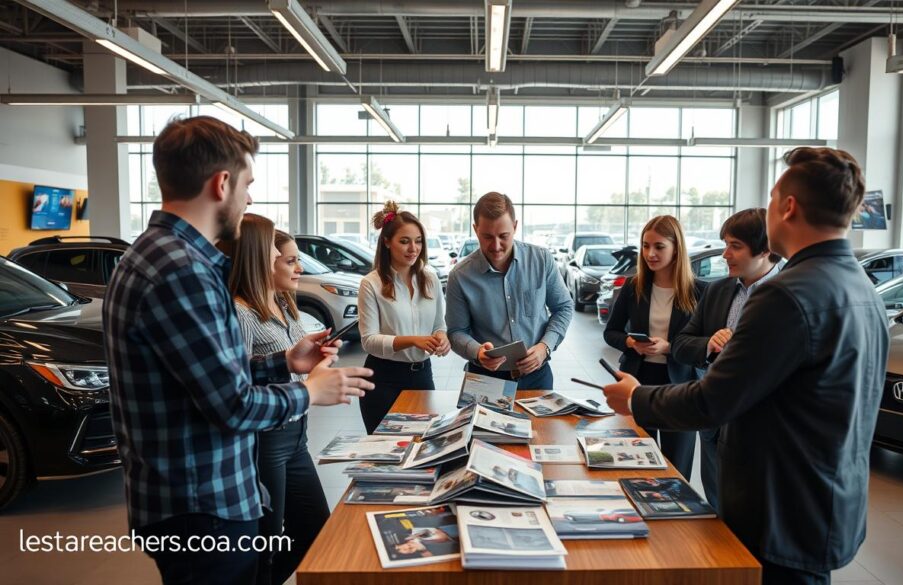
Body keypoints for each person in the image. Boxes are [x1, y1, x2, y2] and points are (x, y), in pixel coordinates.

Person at [103, 116, 374, 585]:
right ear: (221, 183)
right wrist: (309, 392)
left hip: (187, 501)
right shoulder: (182, 271)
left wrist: (282, 362)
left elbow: (202, 376)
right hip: (204, 507)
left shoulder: (153, 254)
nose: (249, 198)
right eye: (247, 184)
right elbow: (232, 404)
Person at [603, 147, 889, 585]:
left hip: (780, 510)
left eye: (772, 198)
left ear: (788, 206)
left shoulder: (787, 294)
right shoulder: (862, 288)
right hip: (827, 504)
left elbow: (714, 399)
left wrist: (636, 398)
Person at [217, 215, 330, 585]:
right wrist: (306, 381)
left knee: (315, 527)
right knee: (268, 541)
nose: (296, 266)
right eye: (283, 257)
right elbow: (239, 381)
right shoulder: (241, 312)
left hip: (297, 435)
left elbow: (286, 362)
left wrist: (313, 357)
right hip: (267, 439)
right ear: (258, 258)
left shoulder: (283, 303)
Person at [670, 208, 782, 510]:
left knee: (753, 510)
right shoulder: (718, 290)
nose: (724, 254)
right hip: (714, 418)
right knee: (716, 503)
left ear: (765, 249)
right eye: (725, 244)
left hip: (760, 426)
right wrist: (709, 343)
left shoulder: (788, 294)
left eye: (735, 246)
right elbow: (681, 344)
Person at [603, 215, 707, 479]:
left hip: (681, 387)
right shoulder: (633, 286)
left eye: (659, 246)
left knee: (676, 470)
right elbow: (611, 332)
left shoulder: (700, 292)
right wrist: (629, 342)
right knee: (636, 463)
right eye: (646, 245)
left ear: (676, 248)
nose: (650, 253)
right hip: (638, 381)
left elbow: (705, 347)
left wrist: (670, 348)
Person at [446, 192, 573, 389]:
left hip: (536, 375)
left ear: (515, 226)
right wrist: (477, 352)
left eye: (503, 236)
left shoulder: (541, 260)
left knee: (540, 422)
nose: (496, 246)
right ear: (475, 229)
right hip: (484, 378)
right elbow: (456, 332)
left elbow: (563, 307)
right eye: (487, 237)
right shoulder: (460, 276)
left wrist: (544, 347)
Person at [358, 201, 449, 433]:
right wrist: (412, 340)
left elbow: (440, 324)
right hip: (382, 380)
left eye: (418, 241)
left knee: (423, 448)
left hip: (422, 376)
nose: (413, 248)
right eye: (404, 241)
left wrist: (441, 337)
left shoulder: (431, 279)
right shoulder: (371, 283)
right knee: (385, 454)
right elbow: (368, 340)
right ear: (387, 242)